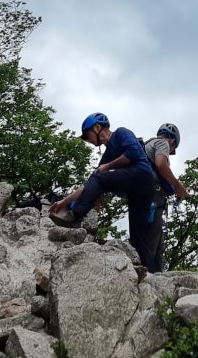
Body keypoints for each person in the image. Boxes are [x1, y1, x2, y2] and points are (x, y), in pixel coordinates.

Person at [50, 112, 158, 271]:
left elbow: (132, 153)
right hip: (138, 191)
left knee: (99, 176)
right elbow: (89, 185)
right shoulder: (107, 156)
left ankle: (74, 215)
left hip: (142, 175)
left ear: (97, 127)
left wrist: (107, 167)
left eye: (88, 136)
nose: (88, 140)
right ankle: (152, 274)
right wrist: (63, 202)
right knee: (137, 237)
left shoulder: (121, 133)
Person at [143, 122, 188, 274]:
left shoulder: (147, 146)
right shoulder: (162, 143)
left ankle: (157, 279)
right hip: (153, 203)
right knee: (151, 247)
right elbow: (161, 164)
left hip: (149, 201)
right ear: (173, 141)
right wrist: (178, 187)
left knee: (158, 247)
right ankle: (148, 280)